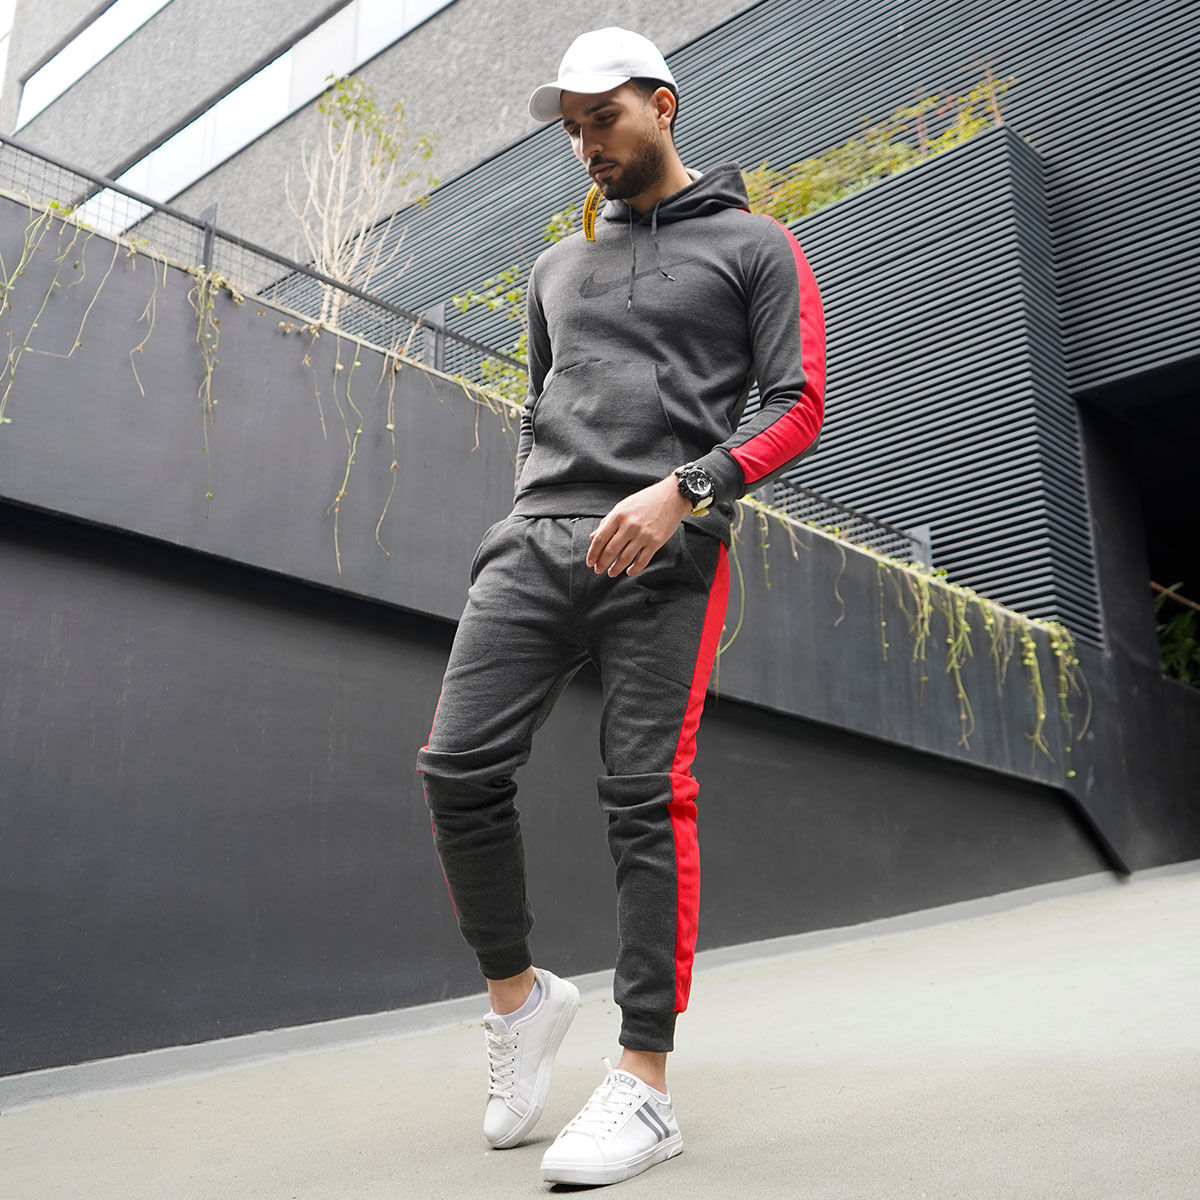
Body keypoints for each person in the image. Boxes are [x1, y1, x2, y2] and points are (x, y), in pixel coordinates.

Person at [416, 26, 825, 1188]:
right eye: (573, 128)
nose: (587, 143)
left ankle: (643, 1083)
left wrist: (687, 490)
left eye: (605, 117)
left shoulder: (756, 245)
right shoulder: (557, 268)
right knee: (455, 768)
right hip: (535, 546)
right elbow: (541, 406)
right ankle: (520, 999)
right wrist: (528, 518)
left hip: (667, 554)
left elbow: (798, 405)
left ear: (663, 105)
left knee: (648, 798)